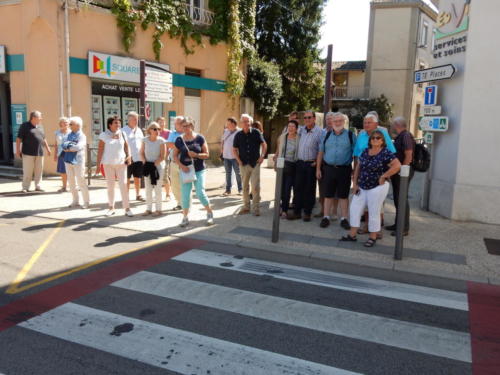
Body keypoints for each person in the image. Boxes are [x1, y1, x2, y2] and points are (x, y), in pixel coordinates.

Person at [341, 130, 401, 247]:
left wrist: (384, 175)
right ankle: (352, 235)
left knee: (374, 211)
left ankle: (373, 237)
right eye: (373, 138)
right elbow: (358, 167)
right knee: (354, 209)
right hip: (362, 185)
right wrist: (355, 183)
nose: (375, 140)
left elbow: (397, 165)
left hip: (377, 186)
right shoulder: (365, 151)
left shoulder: (386, 153)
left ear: (382, 140)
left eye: (378, 138)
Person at [353, 112, 397, 236]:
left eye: (369, 122)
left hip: (377, 176)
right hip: (363, 173)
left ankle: (377, 230)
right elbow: (357, 154)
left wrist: (385, 174)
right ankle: (368, 226)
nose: (366, 125)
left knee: (377, 205)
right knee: (366, 203)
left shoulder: (382, 134)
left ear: (376, 124)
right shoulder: (361, 135)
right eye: (365, 122)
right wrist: (355, 172)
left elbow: (391, 153)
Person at [316, 112, 356, 230]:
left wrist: (355, 170)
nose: (337, 123)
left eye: (340, 121)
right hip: (328, 168)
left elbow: (356, 154)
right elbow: (320, 153)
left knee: (343, 195)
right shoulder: (326, 135)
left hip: (344, 169)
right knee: (328, 194)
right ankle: (326, 217)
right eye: (335, 121)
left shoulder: (350, 135)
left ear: (344, 122)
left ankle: (344, 218)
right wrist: (318, 168)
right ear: (331, 122)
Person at [174, 117, 214, 227]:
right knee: (185, 195)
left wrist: (196, 155)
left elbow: (206, 154)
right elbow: (174, 156)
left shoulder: (200, 138)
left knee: (200, 193)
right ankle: (185, 217)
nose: (186, 128)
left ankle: (209, 212)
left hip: (199, 170)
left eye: (188, 125)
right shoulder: (179, 139)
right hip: (185, 170)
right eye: (184, 126)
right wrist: (182, 166)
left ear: (192, 126)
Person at [287, 110, 322, 222]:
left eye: (309, 117)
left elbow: (321, 150)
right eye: (305, 118)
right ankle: (297, 212)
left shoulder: (320, 132)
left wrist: (317, 162)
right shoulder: (301, 130)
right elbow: (290, 128)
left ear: (314, 118)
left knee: (309, 189)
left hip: (311, 163)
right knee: (297, 188)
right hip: (300, 163)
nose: (307, 119)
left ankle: (307, 212)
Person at [95, 116, 134, 217]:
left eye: (119, 123)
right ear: (110, 124)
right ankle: (111, 208)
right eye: (116, 123)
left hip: (121, 164)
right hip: (108, 164)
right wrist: (98, 164)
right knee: (110, 186)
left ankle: (127, 208)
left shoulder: (123, 133)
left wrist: (129, 155)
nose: (118, 125)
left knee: (123, 185)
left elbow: (126, 146)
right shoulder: (103, 135)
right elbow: (100, 150)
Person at [233, 114, 267, 216]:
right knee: (244, 186)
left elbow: (264, 144)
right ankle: (246, 207)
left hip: (255, 163)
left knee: (255, 186)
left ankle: (256, 208)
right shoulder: (238, 135)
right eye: (243, 121)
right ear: (241, 123)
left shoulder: (256, 132)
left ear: (250, 122)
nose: (246, 123)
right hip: (243, 164)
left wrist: (262, 156)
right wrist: (238, 160)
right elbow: (234, 149)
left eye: (247, 121)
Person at [386, 116, 415, 236]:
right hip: (398, 171)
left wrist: (403, 170)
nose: (392, 126)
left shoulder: (406, 136)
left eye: (393, 124)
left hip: (403, 172)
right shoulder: (401, 136)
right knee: (398, 198)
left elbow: (408, 154)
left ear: (397, 125)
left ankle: (403, 228)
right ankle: (398, 224)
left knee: (402, 198)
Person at [16, 111, 51, 193]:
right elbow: (18, 139)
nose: (41, 119)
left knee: (39, 171)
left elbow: (44, 138)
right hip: (28, 153)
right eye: (40, 117)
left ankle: (38, 186)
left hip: (40, 152)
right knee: (28, 171)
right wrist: (17, 150)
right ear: (34, 118)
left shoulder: (40, 126)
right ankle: (25, 187)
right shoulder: (24, 126)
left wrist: (48, 148)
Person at [274, 119, 300, 218]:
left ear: (296, 128)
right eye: (289, 126)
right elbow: (278, 149)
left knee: (287, 188)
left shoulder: (299, 138)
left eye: (293, 126)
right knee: (280, 188)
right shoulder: (282, 137)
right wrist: (275, 159)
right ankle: (280, 207)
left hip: (292, 165)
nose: (291, 128)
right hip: (281, 164)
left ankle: (284, 210)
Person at [62, 116, 89, 209]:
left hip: (78, 161)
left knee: (81, 180)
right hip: (68, 160)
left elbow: (78, 147)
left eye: (71, 124)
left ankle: (86, 201)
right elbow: (63, 145)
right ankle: (75, 200)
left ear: (77, 125)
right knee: (71, 181)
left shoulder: (82, 136)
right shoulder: (68, 135)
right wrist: (70, 148)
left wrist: (69, 148)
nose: (69, 125)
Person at [140, 122, 166, 216]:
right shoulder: (144, 140)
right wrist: (145, 162)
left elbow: (163, 156)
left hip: (158, 167)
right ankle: (148, 209)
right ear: (150, 130)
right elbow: (141, 153)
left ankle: (159, 209)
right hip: (147, 167)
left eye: (159, 129)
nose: (157, 131)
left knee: (158, 188)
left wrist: (153, 164)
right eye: (155, 129)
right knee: (148, 189)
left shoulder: (161, 141)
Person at [122, 111, 145, 202]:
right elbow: (122, 145)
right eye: (135, 119)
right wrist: (126, 156)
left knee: (137, 177)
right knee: (126, 178)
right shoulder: (123, 130)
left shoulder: (139, 130)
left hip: (138, 157)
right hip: (128, 158)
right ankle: (126, 196)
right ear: (129, 120)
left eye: (137, 119)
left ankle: (138, 194)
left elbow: (142, 143)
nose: (136, 121)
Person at [166, 116, 185, 210]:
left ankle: (184, 204)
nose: (177, 125)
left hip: (185, 163)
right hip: (173, 162)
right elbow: (168, 144)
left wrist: (175, 145)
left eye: (179, 123)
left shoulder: (187, 133)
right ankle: (179, 203)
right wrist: (180, 146)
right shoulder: (172, 133)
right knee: (174, 185)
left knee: (185, 184)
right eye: (176, 123)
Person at [221, 117, 242, 196]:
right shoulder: (226, 131)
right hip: (226, 156)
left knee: (238, 173)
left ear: (233, 124)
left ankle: (240, 189)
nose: (227, 125)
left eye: (228, 124)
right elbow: (222, 141)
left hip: (236, 156)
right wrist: (221, 149)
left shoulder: (240, 132)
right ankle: (228, 190)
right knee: (228, 173)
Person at [53, 117, 70, 192]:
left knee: (70, 170)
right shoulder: (57, 133)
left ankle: (72, 186)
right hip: (61, 153)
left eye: (67, 122)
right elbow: (56, 144)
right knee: (63, 171)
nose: (65, 123)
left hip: (70, 153)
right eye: (64, 122)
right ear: (60, 124)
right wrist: (55, 155)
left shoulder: (71, 132)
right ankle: (64, 187)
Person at [157, 116, 172, 201]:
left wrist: (167, 153)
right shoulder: (154, 132)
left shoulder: (169, 132)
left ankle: (168, 194)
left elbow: (170, 145)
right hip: (155, 157)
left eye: (163, 122)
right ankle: (157, 193)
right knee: (155, 176)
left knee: (165, 176)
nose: (162, 124)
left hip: (165, 157)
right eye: (160, 122)